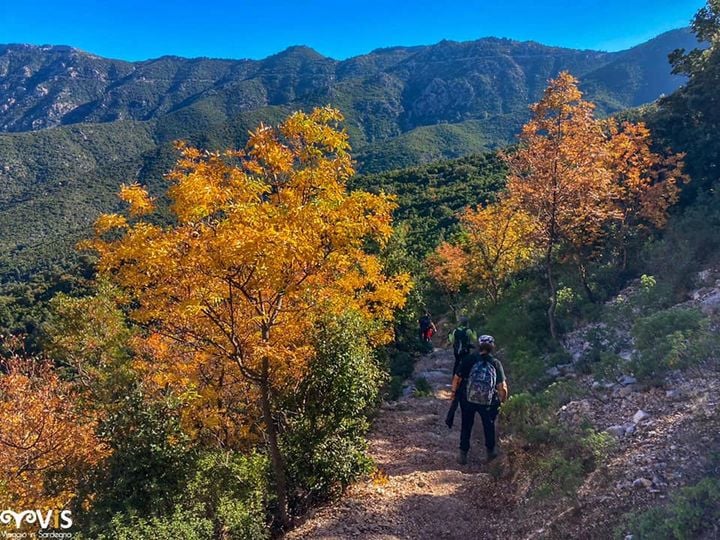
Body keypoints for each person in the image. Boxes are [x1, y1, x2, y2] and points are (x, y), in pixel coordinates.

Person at [450, 335, 508, 464]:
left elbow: (456, 378)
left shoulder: (469, 359)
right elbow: (502, 387)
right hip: (488, 401)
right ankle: (491, 453)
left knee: (466, 424)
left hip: (468, 399)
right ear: (492, 347)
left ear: (478, 345)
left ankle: (463, 455)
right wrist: (502, 402)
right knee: (489, 425)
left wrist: (453, 394)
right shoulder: (496, 363)